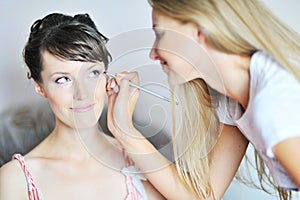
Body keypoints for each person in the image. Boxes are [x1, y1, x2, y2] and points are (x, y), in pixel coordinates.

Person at [106, 0, 300, 199]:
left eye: (160, 34)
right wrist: (125, 131)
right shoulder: (233, 101)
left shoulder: (274, 104)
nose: (153, 54)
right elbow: (202, 195)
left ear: (201, 31)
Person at [0, 13, 164, 200]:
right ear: (40, 87)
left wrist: (126, 130)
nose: (82, 94)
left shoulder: (141, 161)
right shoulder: (15, 180)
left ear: (107, 76)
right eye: (63, 79)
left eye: (93, 73)